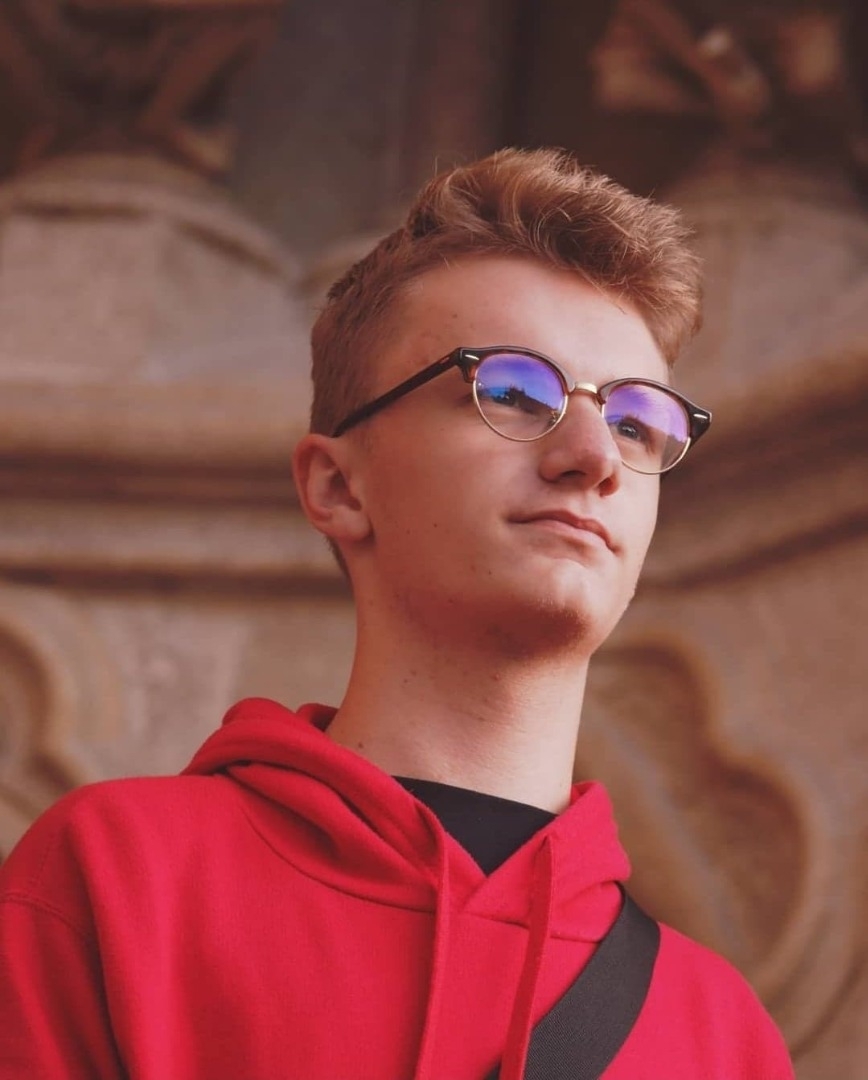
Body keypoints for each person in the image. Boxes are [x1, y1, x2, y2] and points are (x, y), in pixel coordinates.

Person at [0, 148, 794, 1079]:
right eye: (513, 392)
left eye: (635, 421)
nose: (595, 457)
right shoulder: (113, 881)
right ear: (339, 486)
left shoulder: (721, 1033)